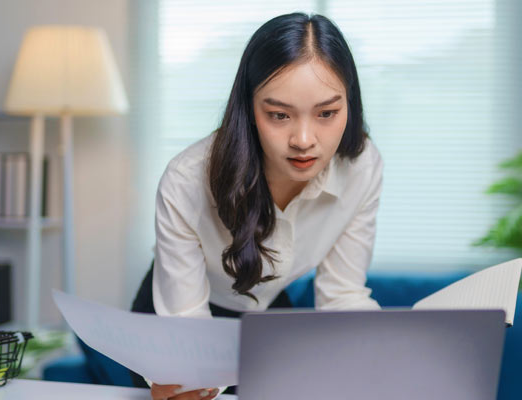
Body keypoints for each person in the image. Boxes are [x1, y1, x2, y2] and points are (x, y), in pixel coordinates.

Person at [133, 12, 384, 400]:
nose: (303, 140)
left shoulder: (362, 167)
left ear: (349, 104)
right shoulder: (187, 180)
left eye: (327, 113)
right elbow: (186, 322)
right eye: (279, 115)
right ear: (249, 109)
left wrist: (391, 355)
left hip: (263, 312)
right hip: (178, 312)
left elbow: (342, 296)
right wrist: (190, 376)